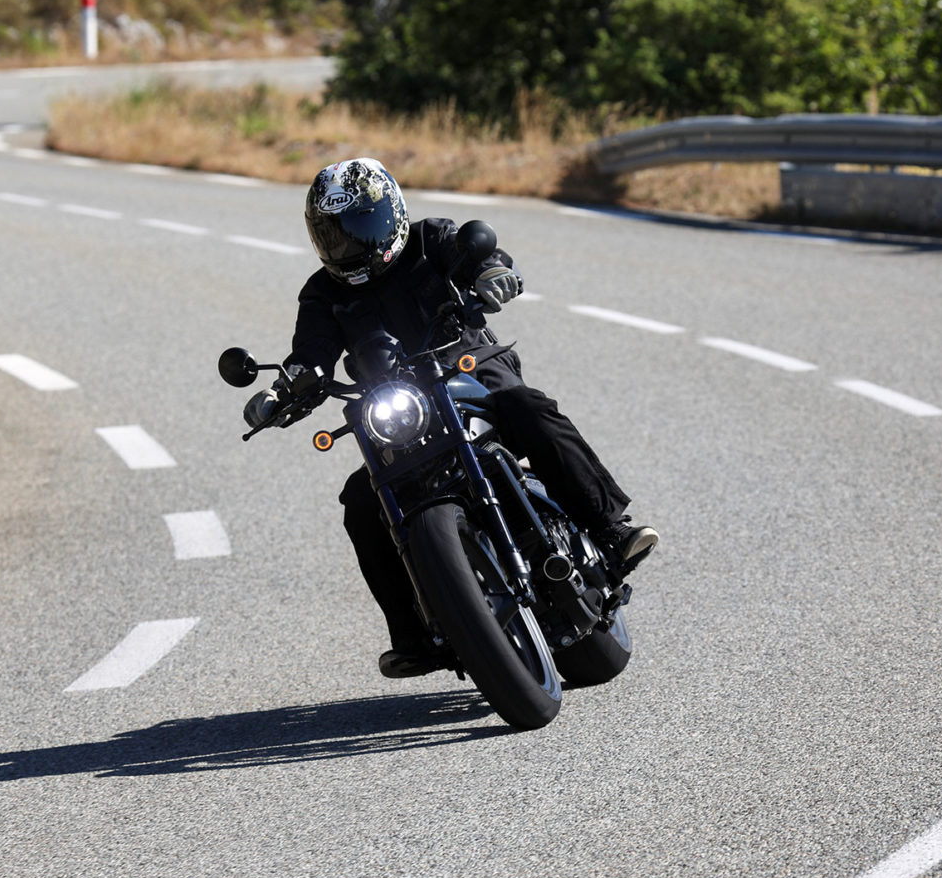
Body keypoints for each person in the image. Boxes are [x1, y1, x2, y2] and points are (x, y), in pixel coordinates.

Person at [244, 158, 657, 678]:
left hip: (469, 368)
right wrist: (286, 388)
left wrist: (491, 273)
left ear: (390, 211)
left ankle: (610, 528)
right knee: (360, 500)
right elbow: (312, 352)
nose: (349, 245)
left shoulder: (428, 239)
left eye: (359, 228)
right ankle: (413, 635)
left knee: (527, 409)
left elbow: (476, 254)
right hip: (399, 407)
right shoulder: (323, 293)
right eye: (334, 236)